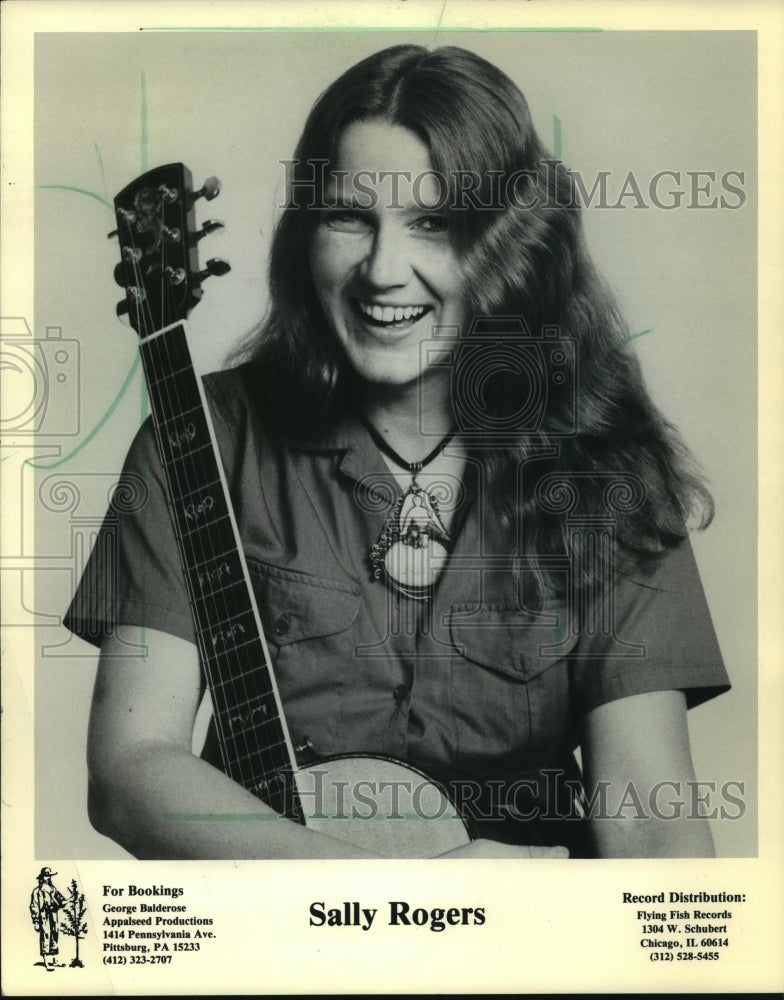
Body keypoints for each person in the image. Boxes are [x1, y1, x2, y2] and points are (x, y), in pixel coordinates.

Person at [65, 44, 729, 859]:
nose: (384, 271)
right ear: (307, 232)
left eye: (435, 223)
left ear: (508, 244)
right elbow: (133, 767)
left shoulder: (607, 465)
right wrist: (375, 899)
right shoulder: (199, 439)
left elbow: (651, 818)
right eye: (349, 216)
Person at [30, 867, 66, 971]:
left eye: (49, 875)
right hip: (43, 915)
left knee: (55, 933)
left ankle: (55, 960)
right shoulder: (37, 891)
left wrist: (66, 901)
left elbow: (61, 899)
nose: (48, 877)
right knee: (45, 935)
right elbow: (34, 906)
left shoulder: (53, 889)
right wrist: (36, 921)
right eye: (46, 875)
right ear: (42, 877)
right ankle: (46, 960)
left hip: (53, 914)